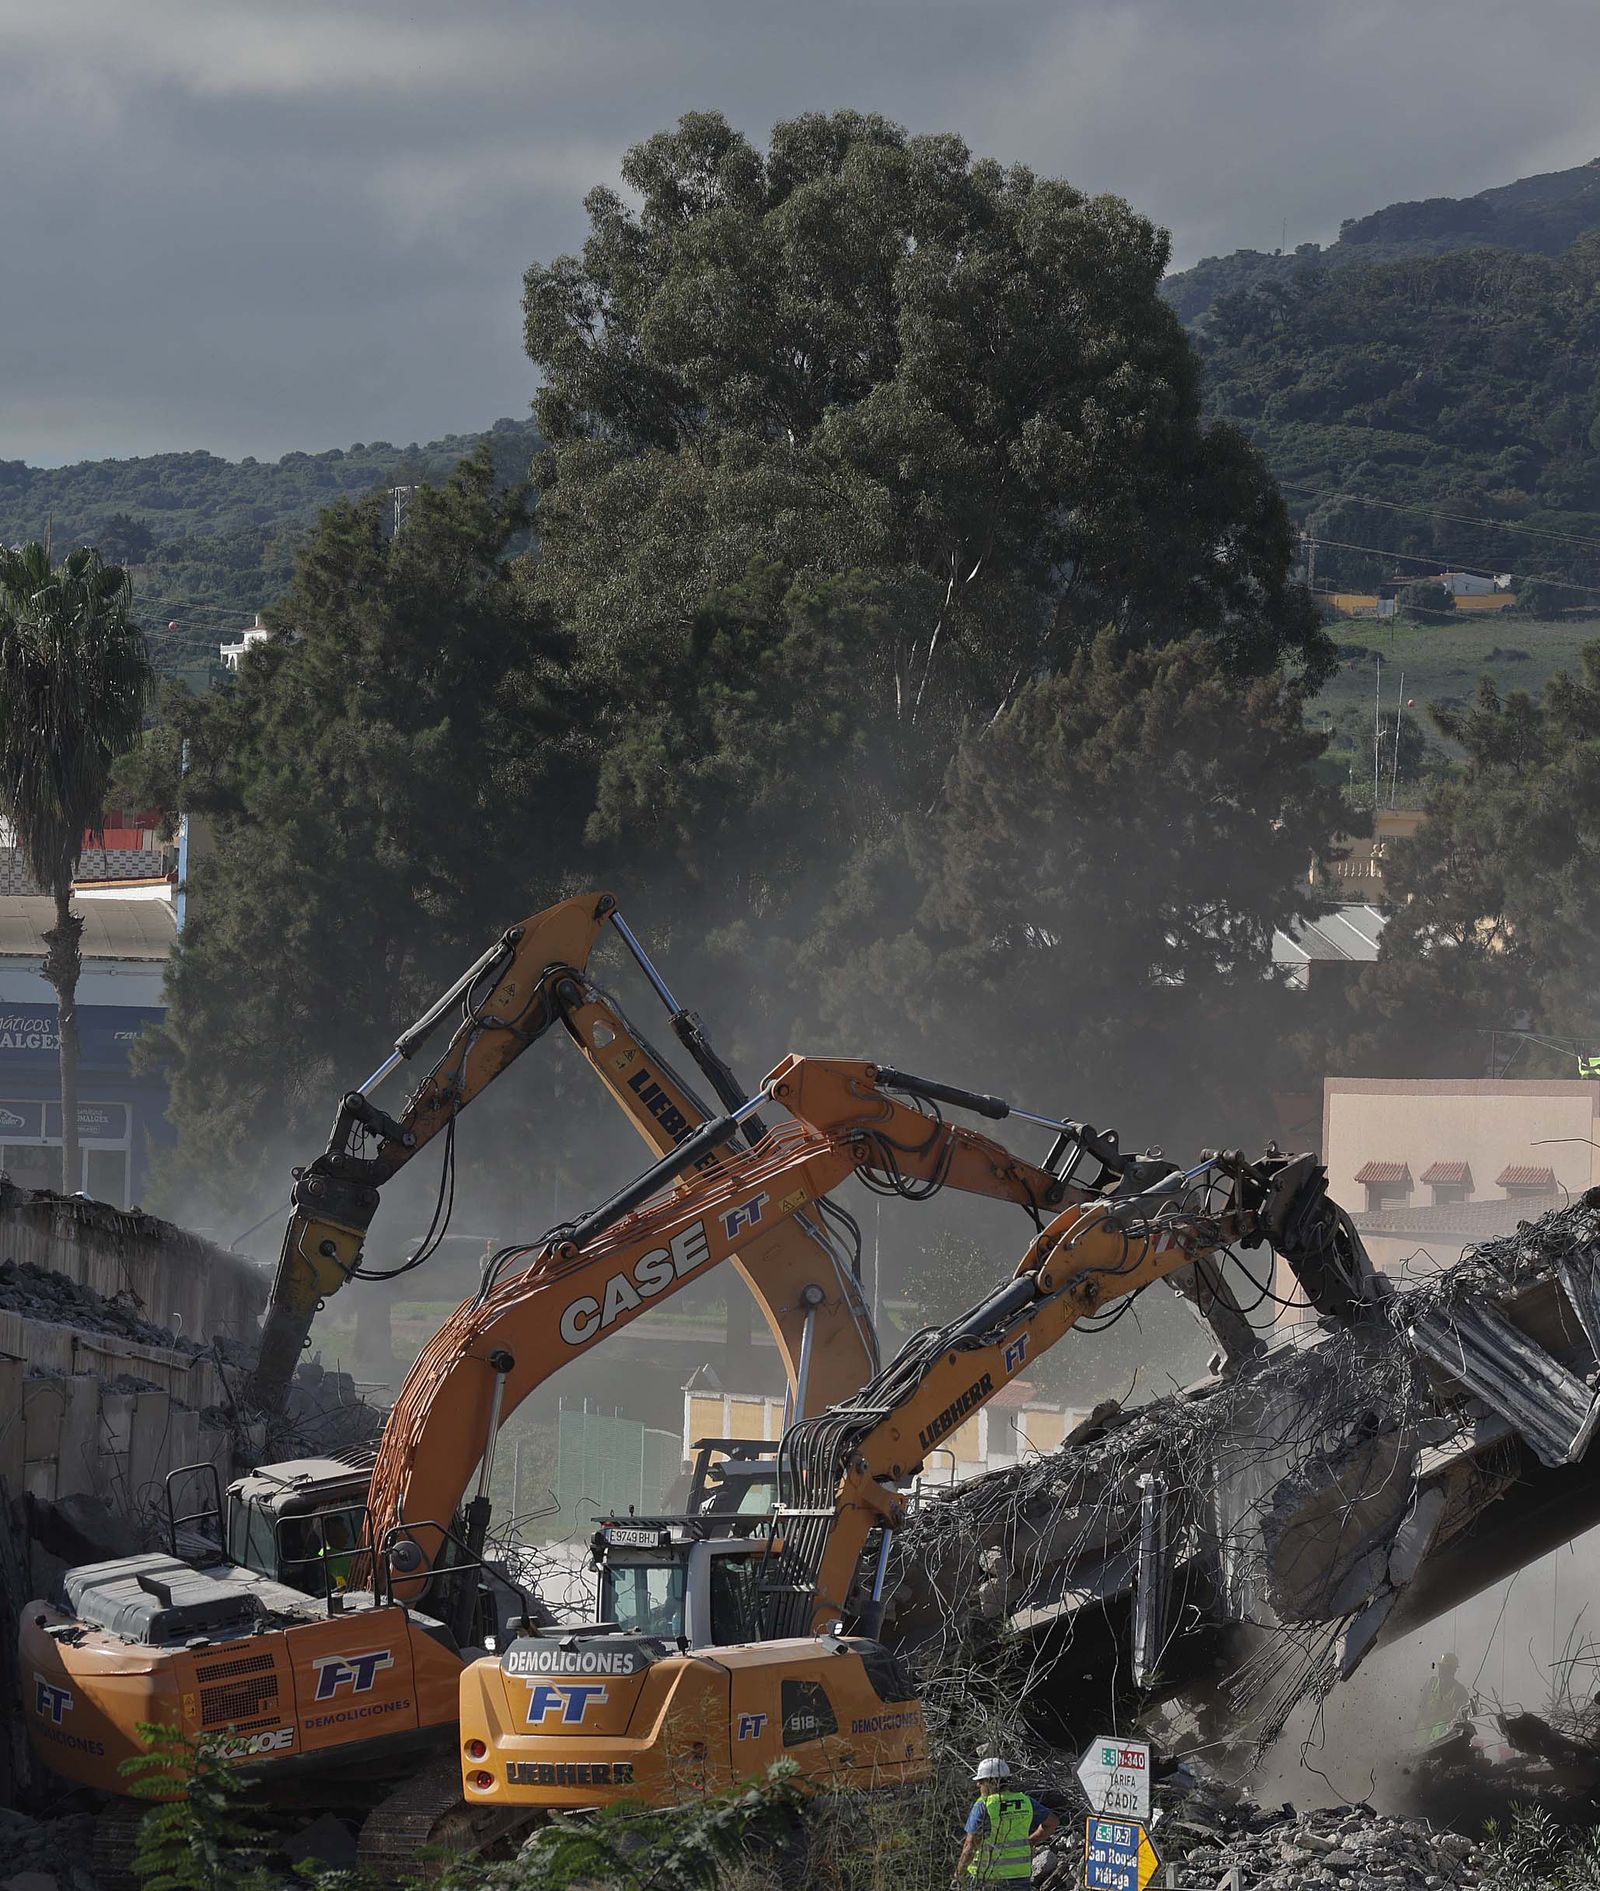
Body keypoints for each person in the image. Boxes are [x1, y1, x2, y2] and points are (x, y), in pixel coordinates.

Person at [953, 1757, 1058, 1885]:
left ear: (992, 1782)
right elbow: (1052, 1823)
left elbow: (970, 1845)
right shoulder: (1025, 1802)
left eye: (981, 1781)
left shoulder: (984, 1805)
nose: (978, 1785)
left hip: (987, 1878)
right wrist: (1030, 1842)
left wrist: (959, 1874)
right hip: (1020, 1878)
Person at [1416, 1653, 1472, 1744]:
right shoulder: (1431, 1683)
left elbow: (1455, 1715)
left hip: (1443, 1731)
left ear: (1453, 1670)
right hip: (1424, 1727)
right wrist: (1419, 1719)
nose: (1441, 1671)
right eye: (1441, 1667)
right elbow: (1421, 1704)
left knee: (1439, 1729)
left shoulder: (1459, 1691)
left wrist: (1434, 1720)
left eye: (1445, 1668)